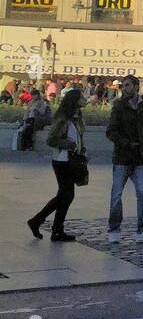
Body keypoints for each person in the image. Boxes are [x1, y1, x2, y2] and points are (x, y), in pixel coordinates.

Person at [105, 74, 143, 243]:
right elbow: (110, 132)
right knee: (116, 194)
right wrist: (127, 143)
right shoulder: (118, 106)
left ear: (136, 87)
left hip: (140, 157)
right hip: (122, 156)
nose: (124, 88)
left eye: (128, 85)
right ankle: (114, 229)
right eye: (123, 86)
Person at [27, 86, 87, 242]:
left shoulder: (76, 117)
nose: (84, 99)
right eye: (81, 97)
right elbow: (51, 140)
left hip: (71, 159)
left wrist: (81, 149)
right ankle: (42, 223)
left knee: (65, 195)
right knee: (66, 195)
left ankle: (53, 228)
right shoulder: (63, 118)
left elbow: (77, 137)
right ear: (74, 100)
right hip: (62, 160)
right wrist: (69, 144)